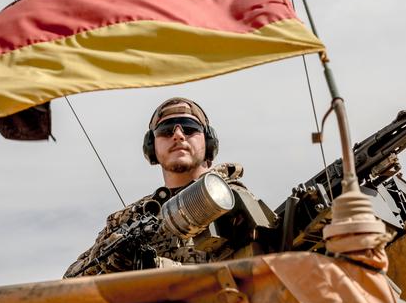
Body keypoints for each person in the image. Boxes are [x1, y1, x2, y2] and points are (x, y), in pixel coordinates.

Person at [64, 97, 261, 278]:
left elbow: (261, 267)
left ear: (208, 142)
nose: (178, 135)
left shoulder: (229, 199)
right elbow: (70, 281)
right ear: (152, 146)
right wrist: (112, 257)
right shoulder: (128, 218)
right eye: (165, 131)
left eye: (189, 128)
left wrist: (159, 267)